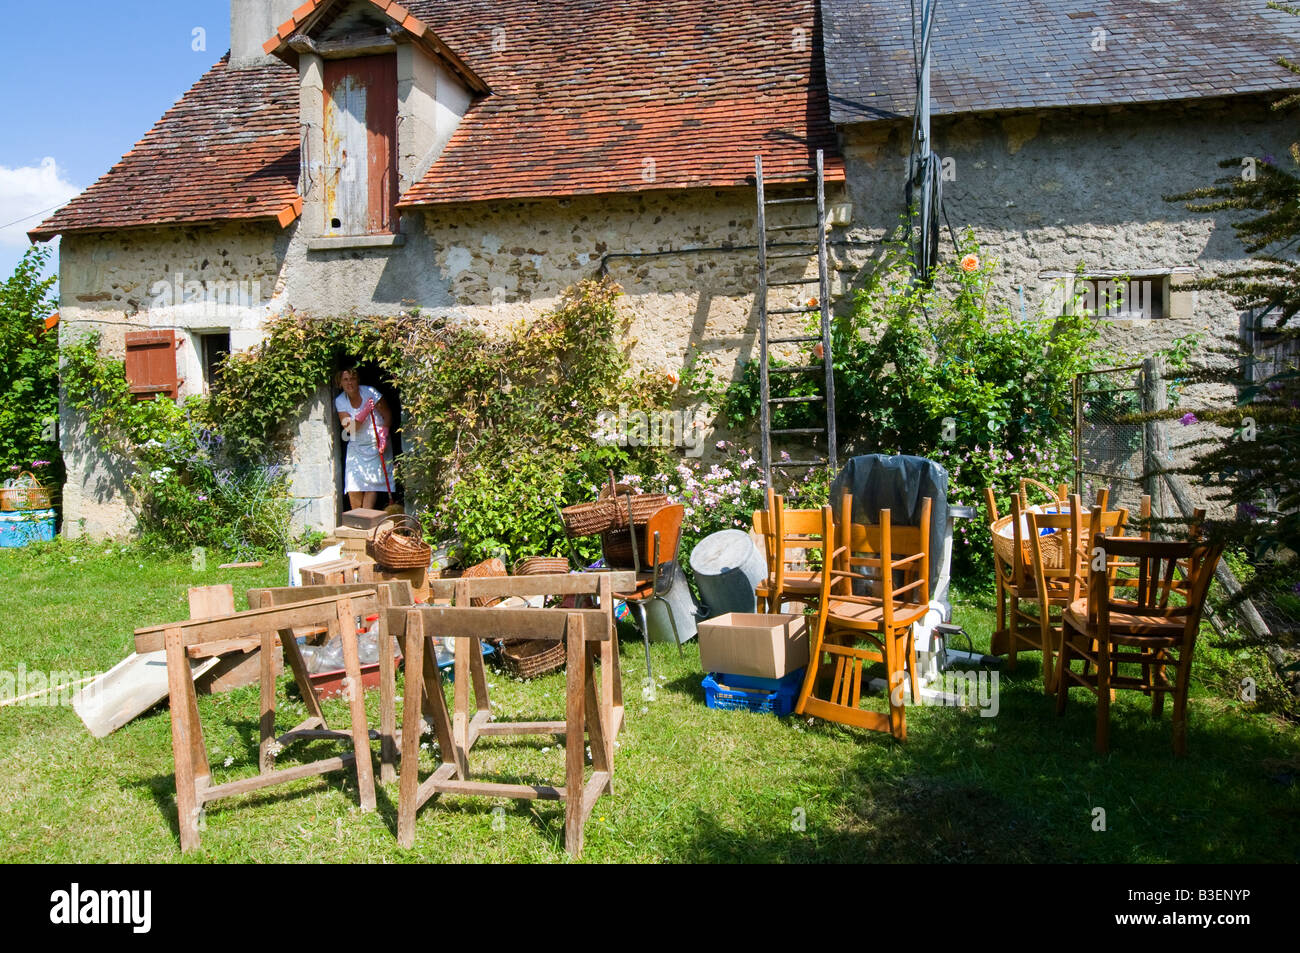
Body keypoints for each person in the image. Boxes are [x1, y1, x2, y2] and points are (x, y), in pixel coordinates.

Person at [334, 367, 394, 511]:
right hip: (357, 444)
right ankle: (356, 517)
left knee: (371, 483)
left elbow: (387, 415)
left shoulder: (370, 392)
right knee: (353, 484)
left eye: (352, 379)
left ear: (358, 380)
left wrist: (383, 434)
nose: (350, 383)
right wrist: (365, 411)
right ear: (340, 383)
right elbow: (349, 429)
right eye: (345, 380)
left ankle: (366, 518)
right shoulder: (340, 401)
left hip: (376, 442)